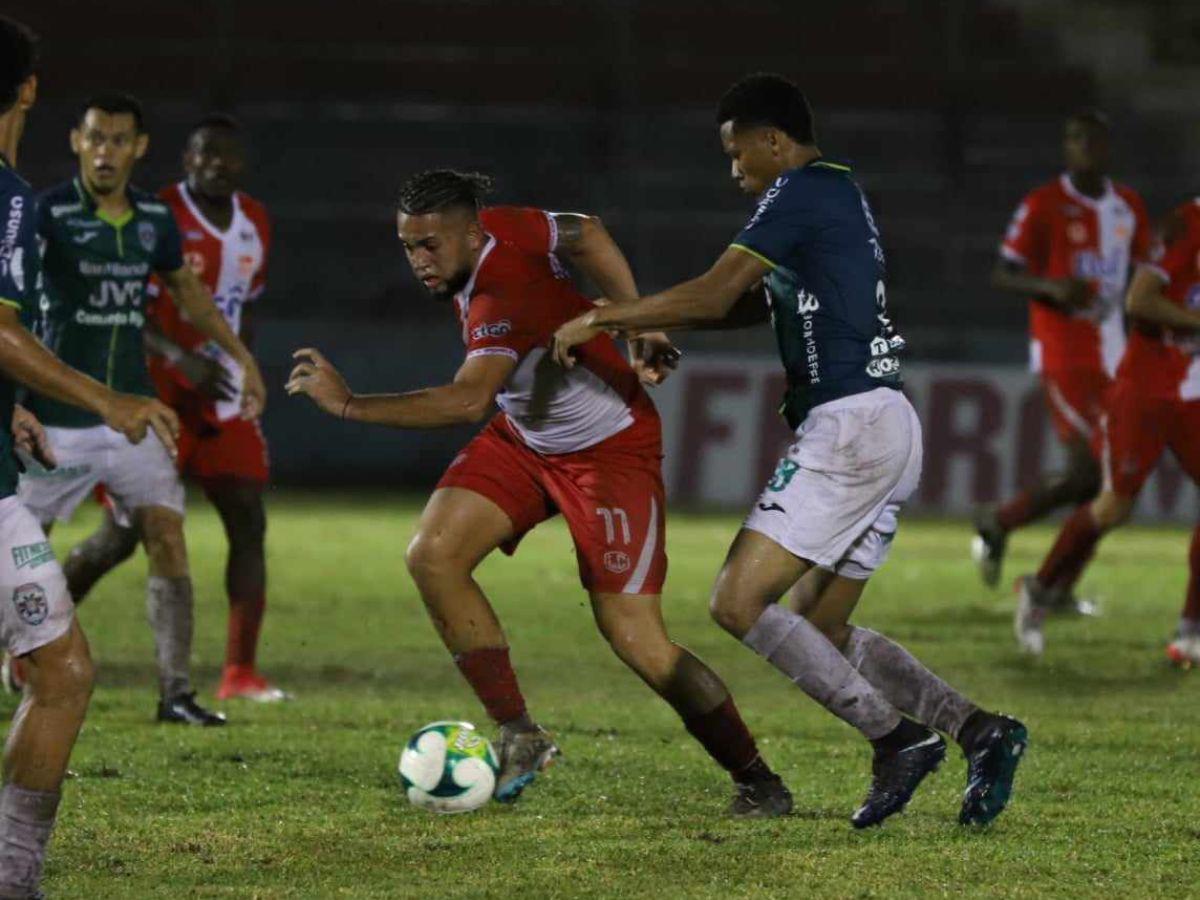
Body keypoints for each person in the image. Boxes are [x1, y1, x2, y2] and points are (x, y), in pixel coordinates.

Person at [552, 73, 1027, 828]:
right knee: (823, 628)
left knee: (737, 602)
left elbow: (713, 291)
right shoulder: (832, 196)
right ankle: (979, 730)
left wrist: (606, 316)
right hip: (883, 420)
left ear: (774, 141)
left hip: (849, 426)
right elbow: (742, 305)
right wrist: (656, 324)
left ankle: (898, 739)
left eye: (738, 154)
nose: (733, 170)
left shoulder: (801, 191)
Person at [286, 169, 793, 816]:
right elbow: (587, 233)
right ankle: (519, 733)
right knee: (433, 554)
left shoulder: (501, 292)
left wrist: (352, 404)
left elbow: (467, 398)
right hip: (527, 436)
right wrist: (637, 321)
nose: (419, 260)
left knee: (637, 639)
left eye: (431, 246)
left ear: (472, 234)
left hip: (609, 452)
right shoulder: (499, 228)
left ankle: (758, 779)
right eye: (408, 245)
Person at [0, 17, 182, 895]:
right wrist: (108, 398)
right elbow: (0, 330)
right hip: (34, 454)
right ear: (33, 94)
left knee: (58, 665)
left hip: (10, 455)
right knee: (63, 673)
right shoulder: (10, 195)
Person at [15, 92, 266, 725]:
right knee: (22, 549)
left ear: (139, 148)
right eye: (95, 138)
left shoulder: (154, 219)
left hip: (132, 413)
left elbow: (190, 297)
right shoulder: (45, 214)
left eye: (118, 140)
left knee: (166, 533)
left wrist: (243, 358)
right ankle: (18, 665)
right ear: (77, 141)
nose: (105, 152)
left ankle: (176, 693)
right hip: (53, 416)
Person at [972, 111, 1150, 594]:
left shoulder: (1129, 206)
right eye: (1074, 139)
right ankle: (1022, 549)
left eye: (1093, 139)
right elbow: (1003, 272)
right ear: (1065, 148)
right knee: (1096, 471)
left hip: (1116, 354)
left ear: (1106, 146)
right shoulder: (1044, 204)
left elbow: (1144, 279)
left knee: (1105, 480)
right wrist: (1048, 285)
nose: (1084, 147)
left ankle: (1025, 552)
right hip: (1064, 352)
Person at [1016, 199, 1200, 663]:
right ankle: (1038, 594)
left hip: (1194, 391)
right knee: (1114, 507)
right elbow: (1140, 300)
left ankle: (1190, 631)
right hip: (1146, 389)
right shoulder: (1188, 223)